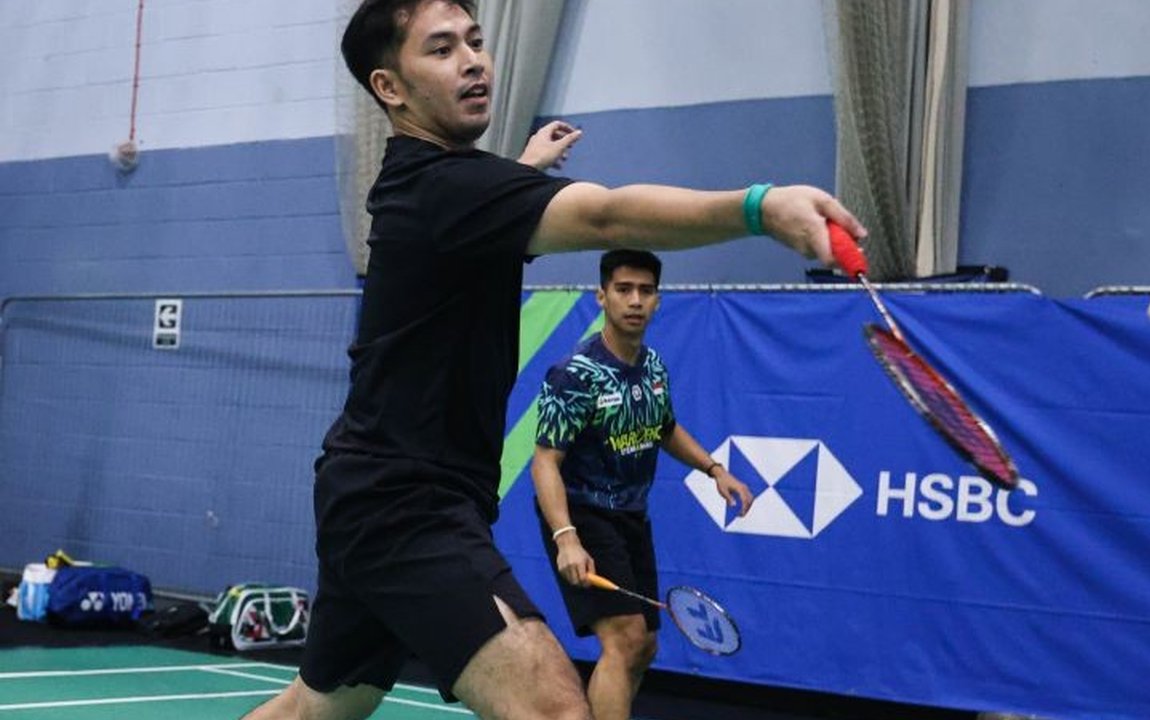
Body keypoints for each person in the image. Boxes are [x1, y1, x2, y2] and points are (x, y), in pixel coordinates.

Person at [244, 0, 866, 718]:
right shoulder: (448, 190)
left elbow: (481, 211)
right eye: (441, 49)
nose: (474, 59)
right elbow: (606, 215)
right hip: (404, 505)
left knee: (312, 712)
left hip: (373, 489)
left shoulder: (436, 185)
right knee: (554, 708)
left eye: (476, 41)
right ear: (390, 88)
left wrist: (522, 170)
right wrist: (760, 207)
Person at [532, 249, 754, 720]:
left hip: (631, 514)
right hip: (583, 513)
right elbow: (545, 462)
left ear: (657, 300)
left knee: (644, 645)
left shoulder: (652, 366)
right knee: (625, 637)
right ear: (602, 297)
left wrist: (715, 469)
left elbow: (665, 428)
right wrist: (565, 537)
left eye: (645, 291)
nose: (635, 300)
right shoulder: (575, 374)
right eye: (623, 289)